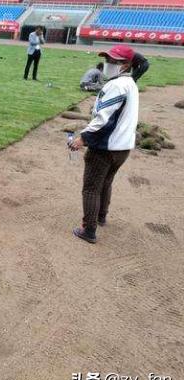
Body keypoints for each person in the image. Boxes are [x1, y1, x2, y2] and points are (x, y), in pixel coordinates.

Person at [68, 45, 138, 244]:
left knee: (91, 188)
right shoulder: (130, 82)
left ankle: (89, 229)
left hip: (106, 147)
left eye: (114, 61)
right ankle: (101, 216)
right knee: (106, 182)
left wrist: (83, 138)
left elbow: (103, 119)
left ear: (125, 65)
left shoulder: (116, 85)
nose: (109, 64)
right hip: (123, 147)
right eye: (108, 59)